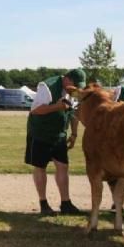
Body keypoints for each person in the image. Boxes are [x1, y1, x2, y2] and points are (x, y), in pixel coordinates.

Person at [25, 68, 86, 216]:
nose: (77, 88)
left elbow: (74, 112)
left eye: (79, 86)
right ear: (67, 79)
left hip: (59, 135)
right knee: (40, 167)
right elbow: (35, 110)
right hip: (40, 133)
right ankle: (43, 203)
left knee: (63, 166)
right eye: (75, 84)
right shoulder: (47, 87)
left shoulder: (73, 92)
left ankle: (66, 203)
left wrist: (74, 134)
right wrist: (57, 107)